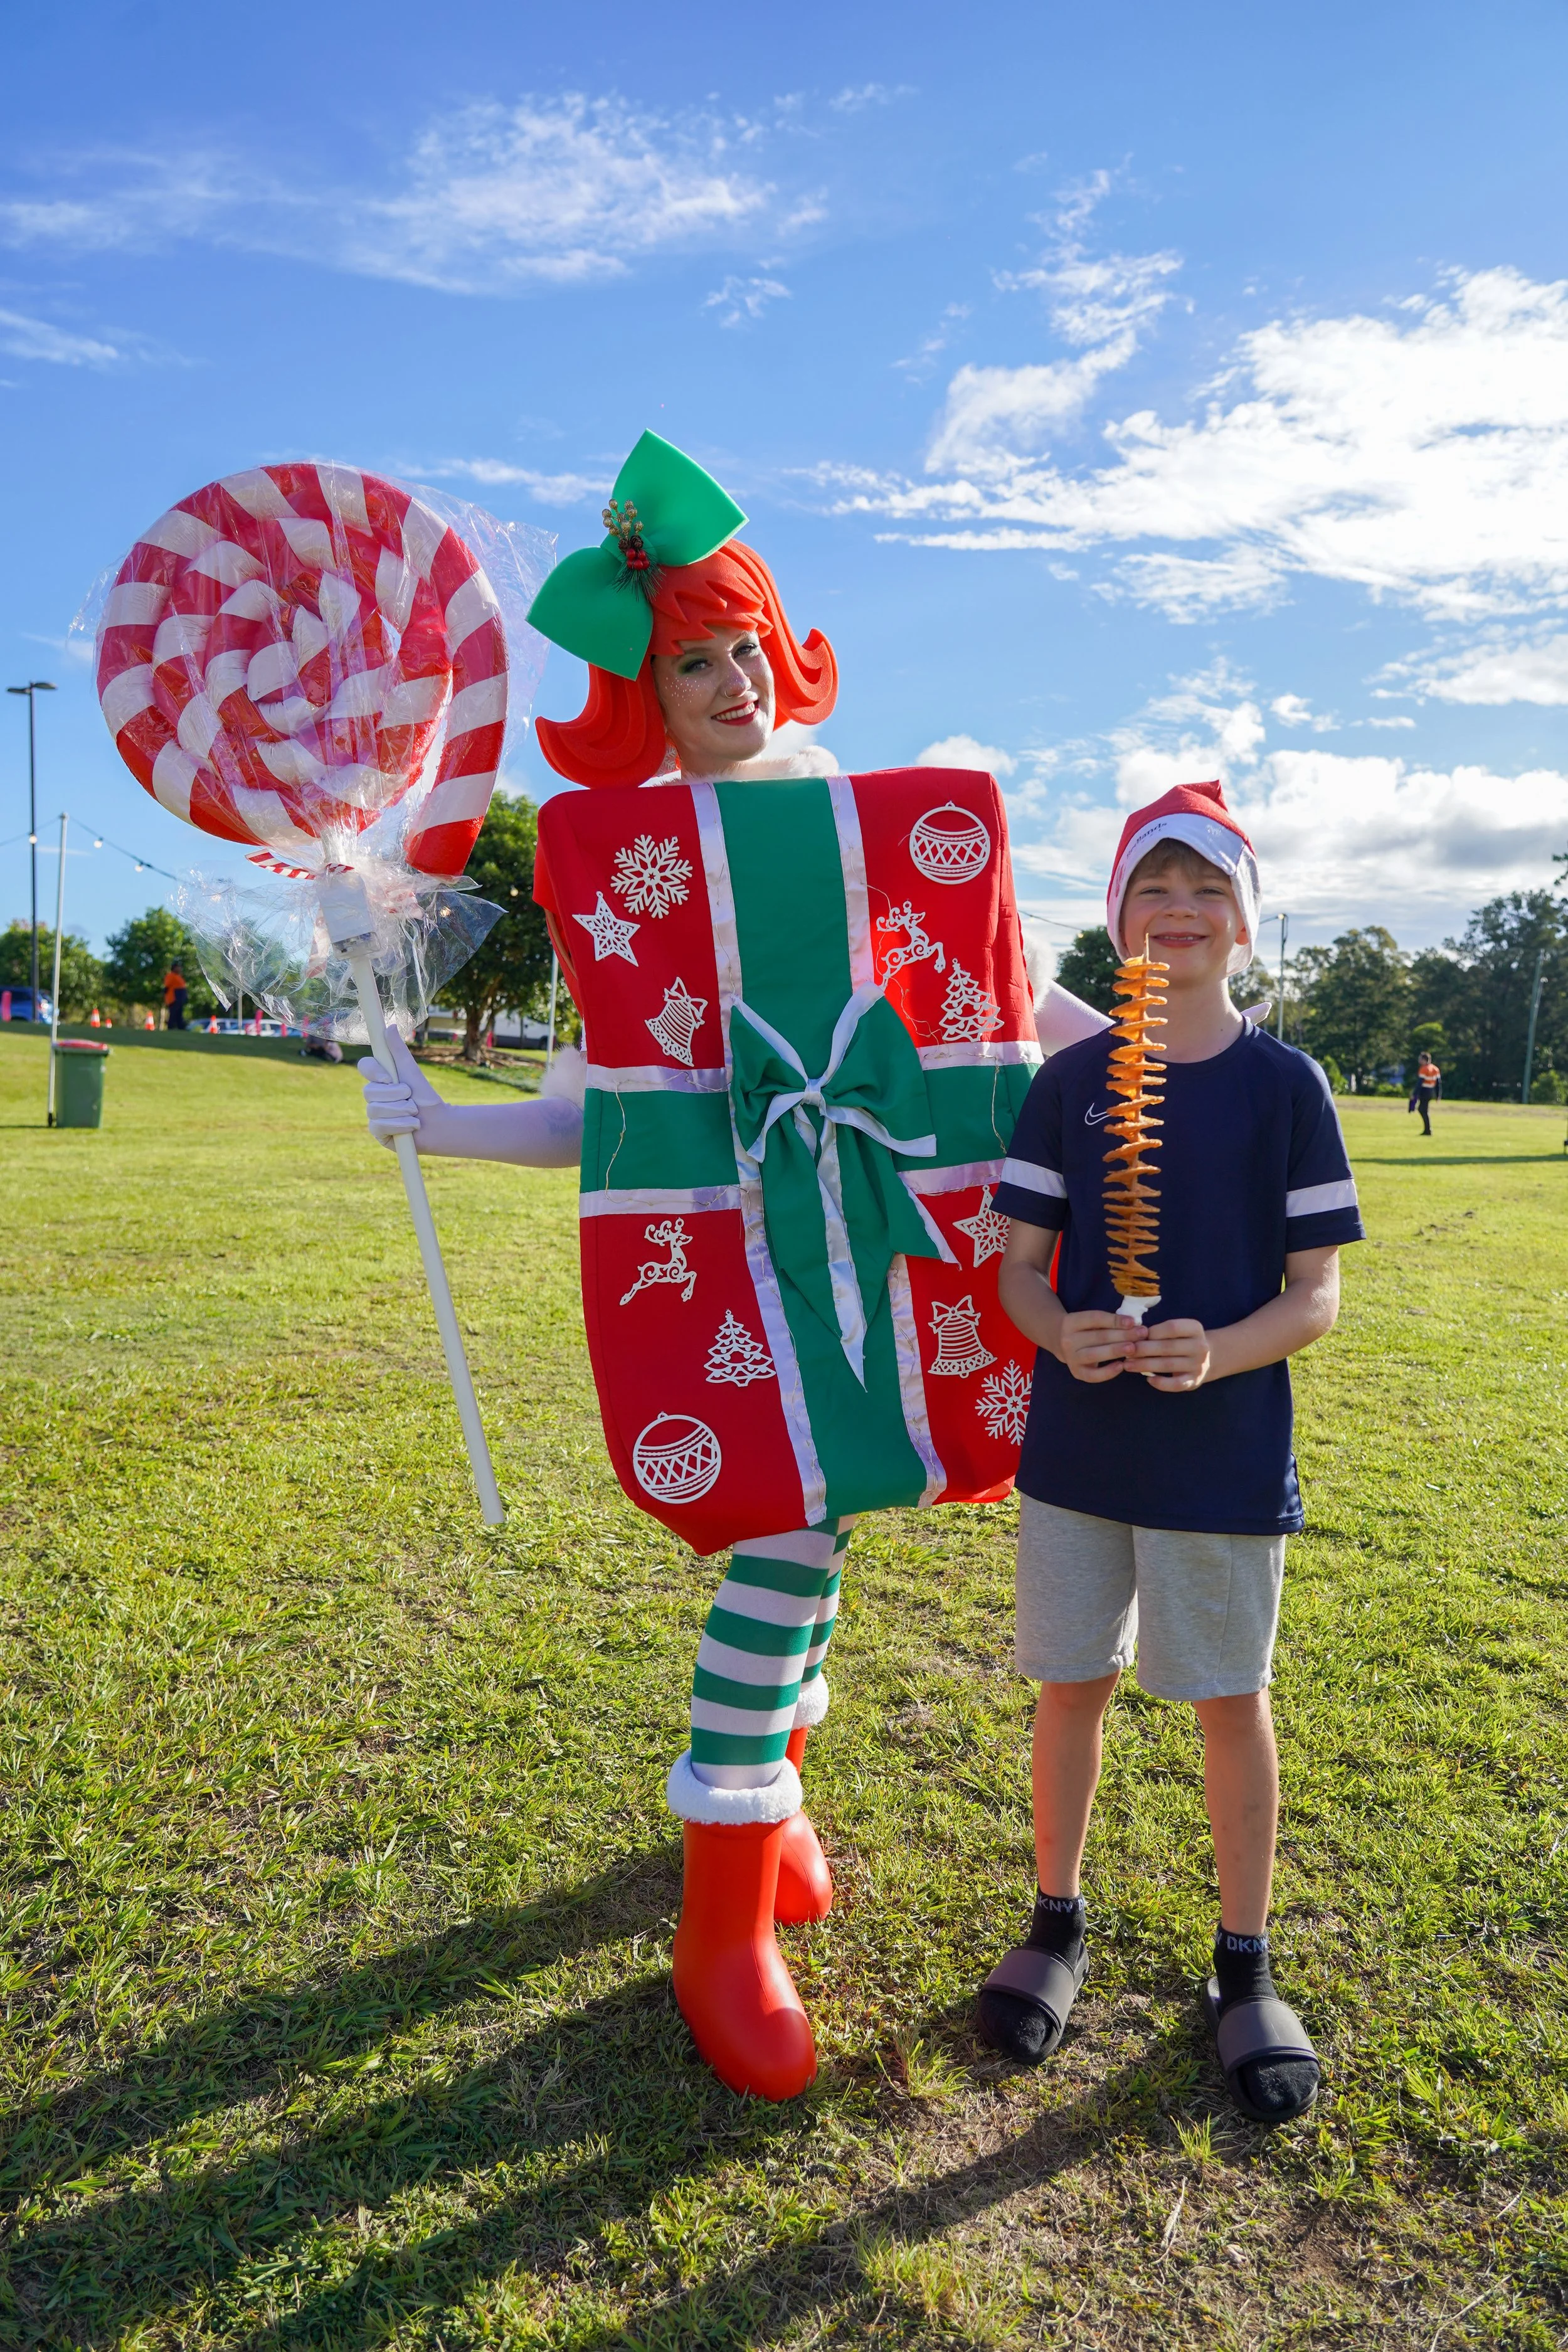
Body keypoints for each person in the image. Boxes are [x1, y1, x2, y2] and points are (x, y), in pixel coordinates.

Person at [362, 432, 1103, 2103]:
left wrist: (1160, 1069)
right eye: (689, 658)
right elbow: (598, 1112)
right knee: (774, 1536)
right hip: (728, 1276)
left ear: (784, 646)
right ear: (647, 693)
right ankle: (718, 1900)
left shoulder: (894, 832)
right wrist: (434, 1120)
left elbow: (1008, 1004)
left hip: (883, 1250)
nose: (728, 679)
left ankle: (771, 1809)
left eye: (740, 642)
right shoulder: (629, 874)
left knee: (821, 1520)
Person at [979, 779, 1365, 2126]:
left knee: (1224, 1696)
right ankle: (1053, 1919)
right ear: (1116, 922)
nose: (1180, 911)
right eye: (1154, 888)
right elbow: (1018, 1273)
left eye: (1208, 891)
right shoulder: (1069, 1084)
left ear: (1243, 924)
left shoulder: (1283, 1086)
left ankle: (1242, 1965)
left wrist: (1220, 1347)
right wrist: (1058, 1331)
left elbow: (1311, 1294)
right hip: (1079, 1450)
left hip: (1218, 1457)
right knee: (1068, 1681)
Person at [1409, 1049, 1441, 1135]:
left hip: (1425, 1091)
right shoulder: (1435, 1069)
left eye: (1420, 1059)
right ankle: (1427, 1130)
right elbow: (1438, 1084)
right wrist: (1438, 1095)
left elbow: (1420, 1083)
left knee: (1423, 1110)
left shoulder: (1424, 1069)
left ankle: (1428, 1130)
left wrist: (1414, 1095)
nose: (1419, 1060)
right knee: (1423, 1110)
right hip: (1431, 1092)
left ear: (1424, 1060)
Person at [163, 962, 188, 1030]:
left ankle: (181, 1027)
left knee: (179, 1013)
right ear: (174, 968)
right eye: (178, 967)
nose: (180, 969)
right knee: (173, 1013)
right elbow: (167, 986)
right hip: (174, 998)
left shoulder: (179, 977)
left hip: (180, 997)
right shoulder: (171, 976)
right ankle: (171, 1027)